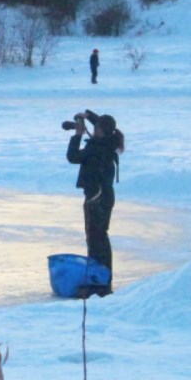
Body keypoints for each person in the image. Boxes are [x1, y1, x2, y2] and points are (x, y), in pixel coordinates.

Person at [66, 109, 124, 296]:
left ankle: (99, 283)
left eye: (96, 127)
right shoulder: (108, 142)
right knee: (101, 238)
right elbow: (104, 123)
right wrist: (88, 116)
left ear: (101, 130)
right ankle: (102, 279)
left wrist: (77, 135)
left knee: (95, 240)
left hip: (96, 198)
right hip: (104, 197)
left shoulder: (96, 148)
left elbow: (73, 157)